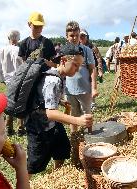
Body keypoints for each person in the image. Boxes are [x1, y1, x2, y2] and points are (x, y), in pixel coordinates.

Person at [25, 43, 93, 176]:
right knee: (34, 163)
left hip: (52, 125)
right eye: (75, 65)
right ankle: (24, 181)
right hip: (39, 127)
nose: (77, 69)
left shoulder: (60, 76)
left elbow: (44, 96)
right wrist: (77, 120)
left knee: (62, 148)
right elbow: (50, 113)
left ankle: (57, 175)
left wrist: (60, 101)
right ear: (63, 61)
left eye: (79, 66)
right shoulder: (53, 81)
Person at [65, 21, 97, 133]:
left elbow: (92, 69)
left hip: (84, 90)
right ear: (66, 36)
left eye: (77, 35)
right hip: (69, 90)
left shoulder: (86, 50)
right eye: (71, 36)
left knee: (87, 114)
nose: (74, 38)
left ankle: (90, 134)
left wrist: (94, 88)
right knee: (73, 116)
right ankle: (74, 136)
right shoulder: (63, 51)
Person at [0, 30, 24, 136]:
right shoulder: (19, 49)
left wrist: (2, 79)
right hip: (19, 79)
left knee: (9, 103)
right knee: (20, 102)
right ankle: (20, 128)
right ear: (18, 38)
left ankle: (8, 128)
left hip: (8, 81)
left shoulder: (1, 50)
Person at [79, 29, 103, 111]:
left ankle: (92, 103)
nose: (81, 37)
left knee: (92, 86)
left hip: (92, 70)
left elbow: (99, 58)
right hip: (81, 70)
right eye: (80, 35)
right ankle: (83, 104)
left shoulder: (93, 47)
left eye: (83, 35)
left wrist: (100, 70)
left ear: (86, 37)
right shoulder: (76, 47)